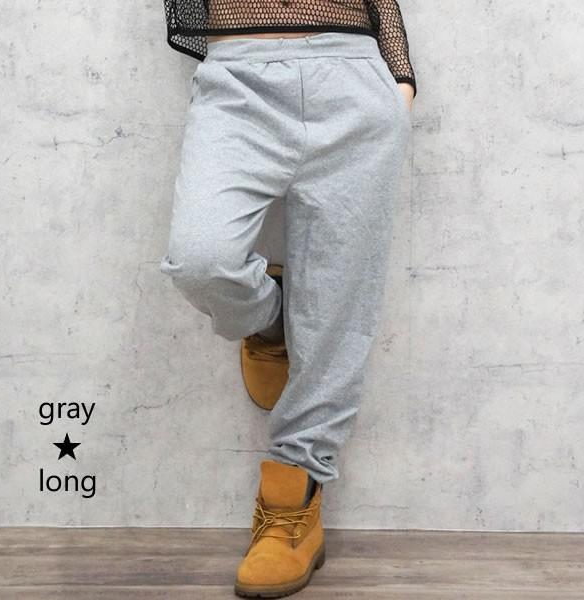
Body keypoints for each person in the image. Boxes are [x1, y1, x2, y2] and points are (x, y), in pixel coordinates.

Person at [159, 1, 416, 597]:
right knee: (203, 261)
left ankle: (293, 500)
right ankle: (270, 321)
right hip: (237, 78)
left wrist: (401, 79)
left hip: (353, 76)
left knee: (337, 308)